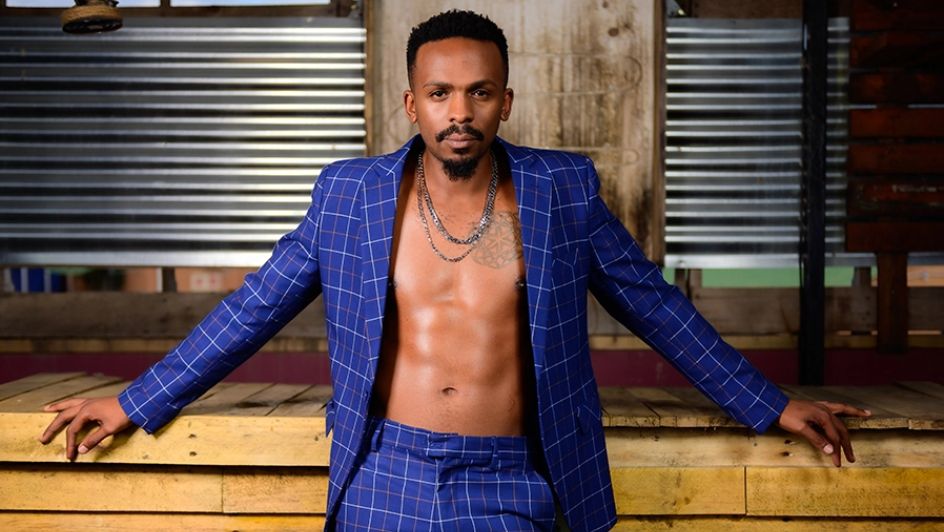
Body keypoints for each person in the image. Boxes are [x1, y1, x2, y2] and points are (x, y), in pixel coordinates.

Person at [38, 10, 869, 531]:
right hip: (383, 471)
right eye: (440, 94)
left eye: (479, 93)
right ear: (412, 103)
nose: (459, 112)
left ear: (506, 101)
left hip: (511, 475)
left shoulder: (557, 191)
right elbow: (252, 309)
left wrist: (770, 402)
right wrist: (133, 400)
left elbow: (655, 305)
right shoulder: (350, 197)